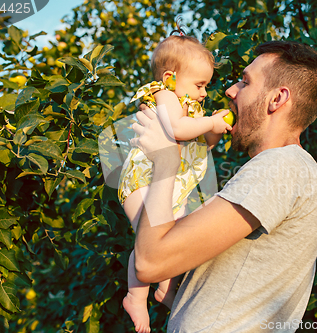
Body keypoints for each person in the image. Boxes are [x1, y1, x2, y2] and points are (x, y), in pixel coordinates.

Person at [131, 40, 317, 332]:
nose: (230, 90)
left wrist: (165, 162)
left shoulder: (280, 166)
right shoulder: (294, 172)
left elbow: (150, 262)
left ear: (277, 99)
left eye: (245, 82)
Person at [118, 31, 232, 333]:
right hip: (143, 179)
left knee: (172, 235)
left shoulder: (191, 107)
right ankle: (135, 296)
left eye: (206, 85)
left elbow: (197, 147)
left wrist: (214, 132)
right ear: (170, 76)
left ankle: (165, 288)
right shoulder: (165, 96)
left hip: (172, 183)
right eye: (200, 84)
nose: (205, 92)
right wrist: (209, 122)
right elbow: (179, 130)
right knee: (149, 231)